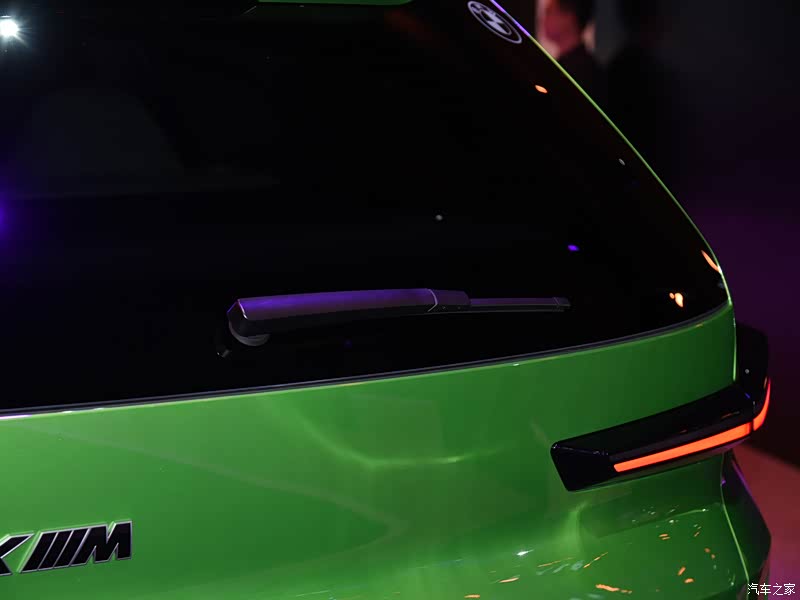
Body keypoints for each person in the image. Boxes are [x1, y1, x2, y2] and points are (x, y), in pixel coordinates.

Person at [541, 0, 606, 104]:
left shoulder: (580, 72)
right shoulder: (574, 65)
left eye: (549, 12)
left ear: (569, 17)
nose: (543, 18)